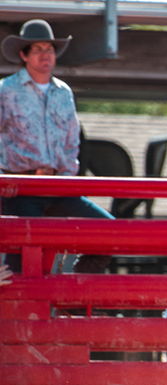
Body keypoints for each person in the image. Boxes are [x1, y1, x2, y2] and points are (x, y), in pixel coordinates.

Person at [0, 19, 114, 275]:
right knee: (22, 266)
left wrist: (68, 176)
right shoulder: (6, 90)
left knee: (110, 232)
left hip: (58, 185)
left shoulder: (64, 92)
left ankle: (72, 295)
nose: (46, 55)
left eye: (50, 49)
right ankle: (19, 314)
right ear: (23, 55)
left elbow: (73, 140)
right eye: (38, 49)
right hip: (20, 187)